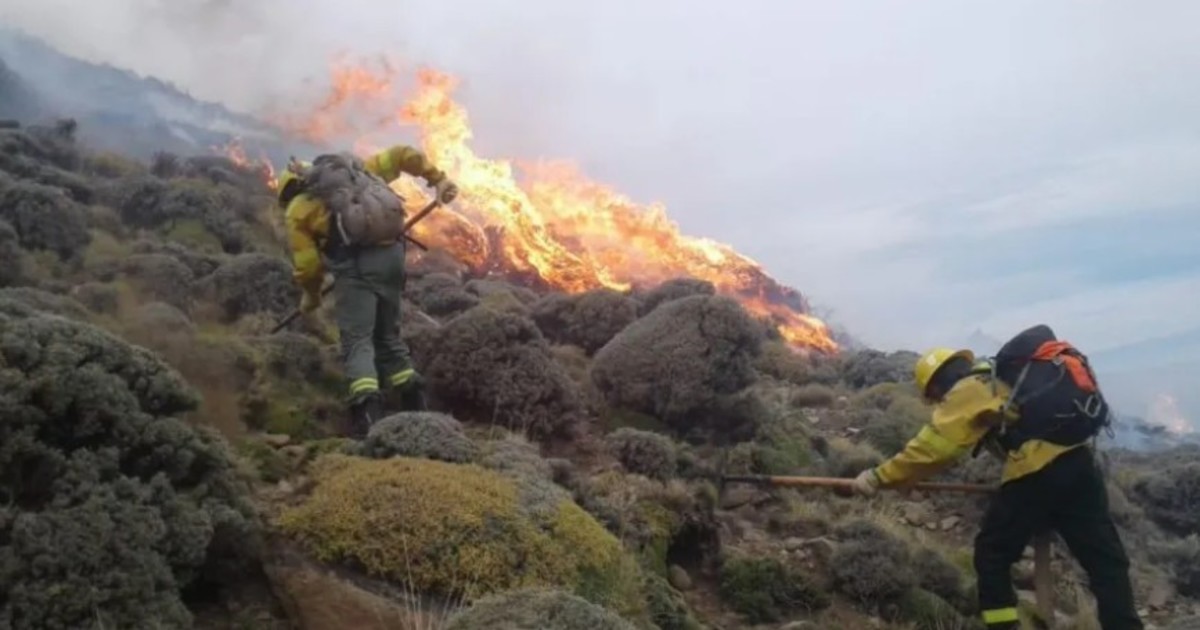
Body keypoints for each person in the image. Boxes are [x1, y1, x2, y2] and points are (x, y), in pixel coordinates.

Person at [850, 343, 1142, 630]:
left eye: (935, 396)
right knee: (1105, 561)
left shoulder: (967, 390)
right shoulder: (998, 379)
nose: (939, 402)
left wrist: (879, 477)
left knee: (992, 554)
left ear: (937, 385)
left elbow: (934, 449)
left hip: (1036, 470)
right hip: (1079, 464)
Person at [276, 145, 458, 437]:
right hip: (393, 259)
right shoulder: (359, 173)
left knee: (358, 340)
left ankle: (367, 418)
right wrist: (438, 179)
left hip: (356, 269)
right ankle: (416, 404)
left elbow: (308, 266)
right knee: (387, 335)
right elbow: (401, 154)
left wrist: (311, 296)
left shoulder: (298, 210)